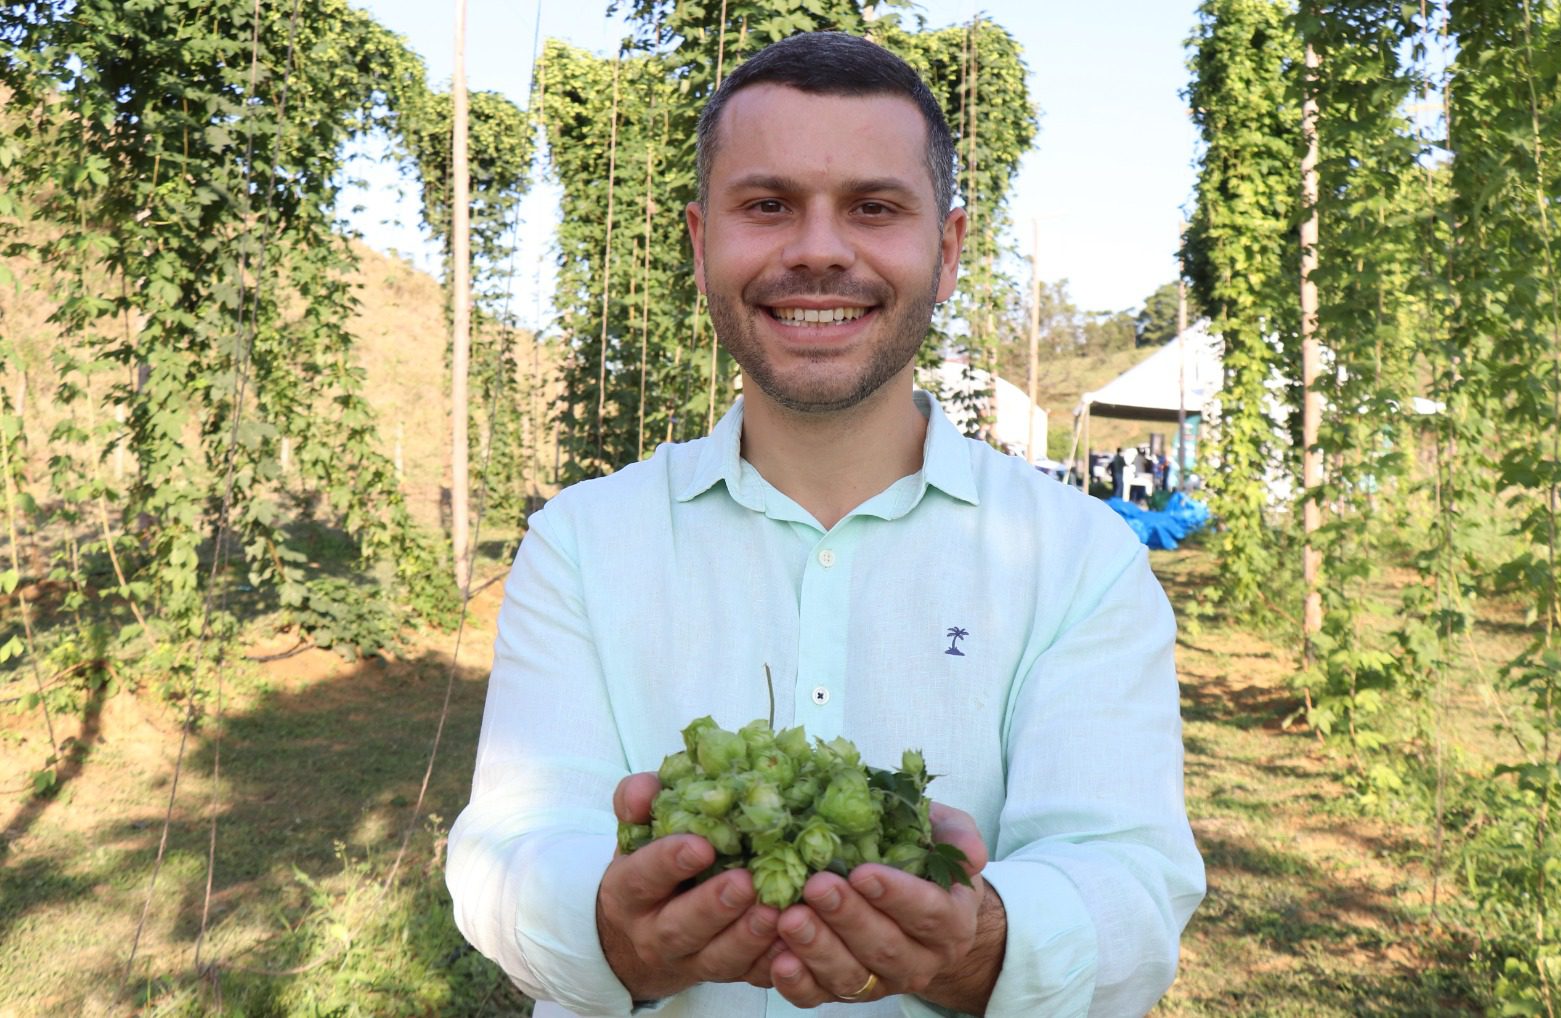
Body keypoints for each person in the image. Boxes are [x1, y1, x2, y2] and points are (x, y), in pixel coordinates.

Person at [446, 31, 1204, 1018]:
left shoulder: (1080, 561)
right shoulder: (580, 546)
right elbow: (508, 845)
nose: (816, 248)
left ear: (946, 251)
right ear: (698, 241)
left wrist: (983, 945)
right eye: (766, 205)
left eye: (872, 208)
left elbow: (1130, 882)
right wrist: (603, 925)